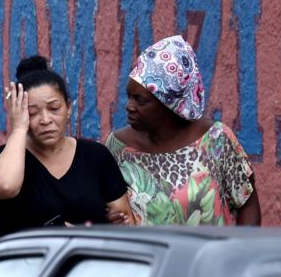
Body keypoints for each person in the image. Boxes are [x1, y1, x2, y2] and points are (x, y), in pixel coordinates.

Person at [105, 35, 261, 226]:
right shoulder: (117, 147)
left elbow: (247, 204)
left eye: (141, 100)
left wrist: (239, 253)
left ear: (169, 104)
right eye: (129, 96)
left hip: (209, 256)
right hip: (149, 257)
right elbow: (105, 209)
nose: (129, 106)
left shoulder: (215, 140)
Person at [0, 55, 135, 238]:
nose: (45, 120)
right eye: (32, 113)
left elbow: (125, 223)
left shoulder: (95, 156)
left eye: (54, 108)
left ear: (68, 108)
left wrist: (88, 237)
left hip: (89, 264)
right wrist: (19, 127)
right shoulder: (7, 159)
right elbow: (5, 187)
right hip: (27, 266)